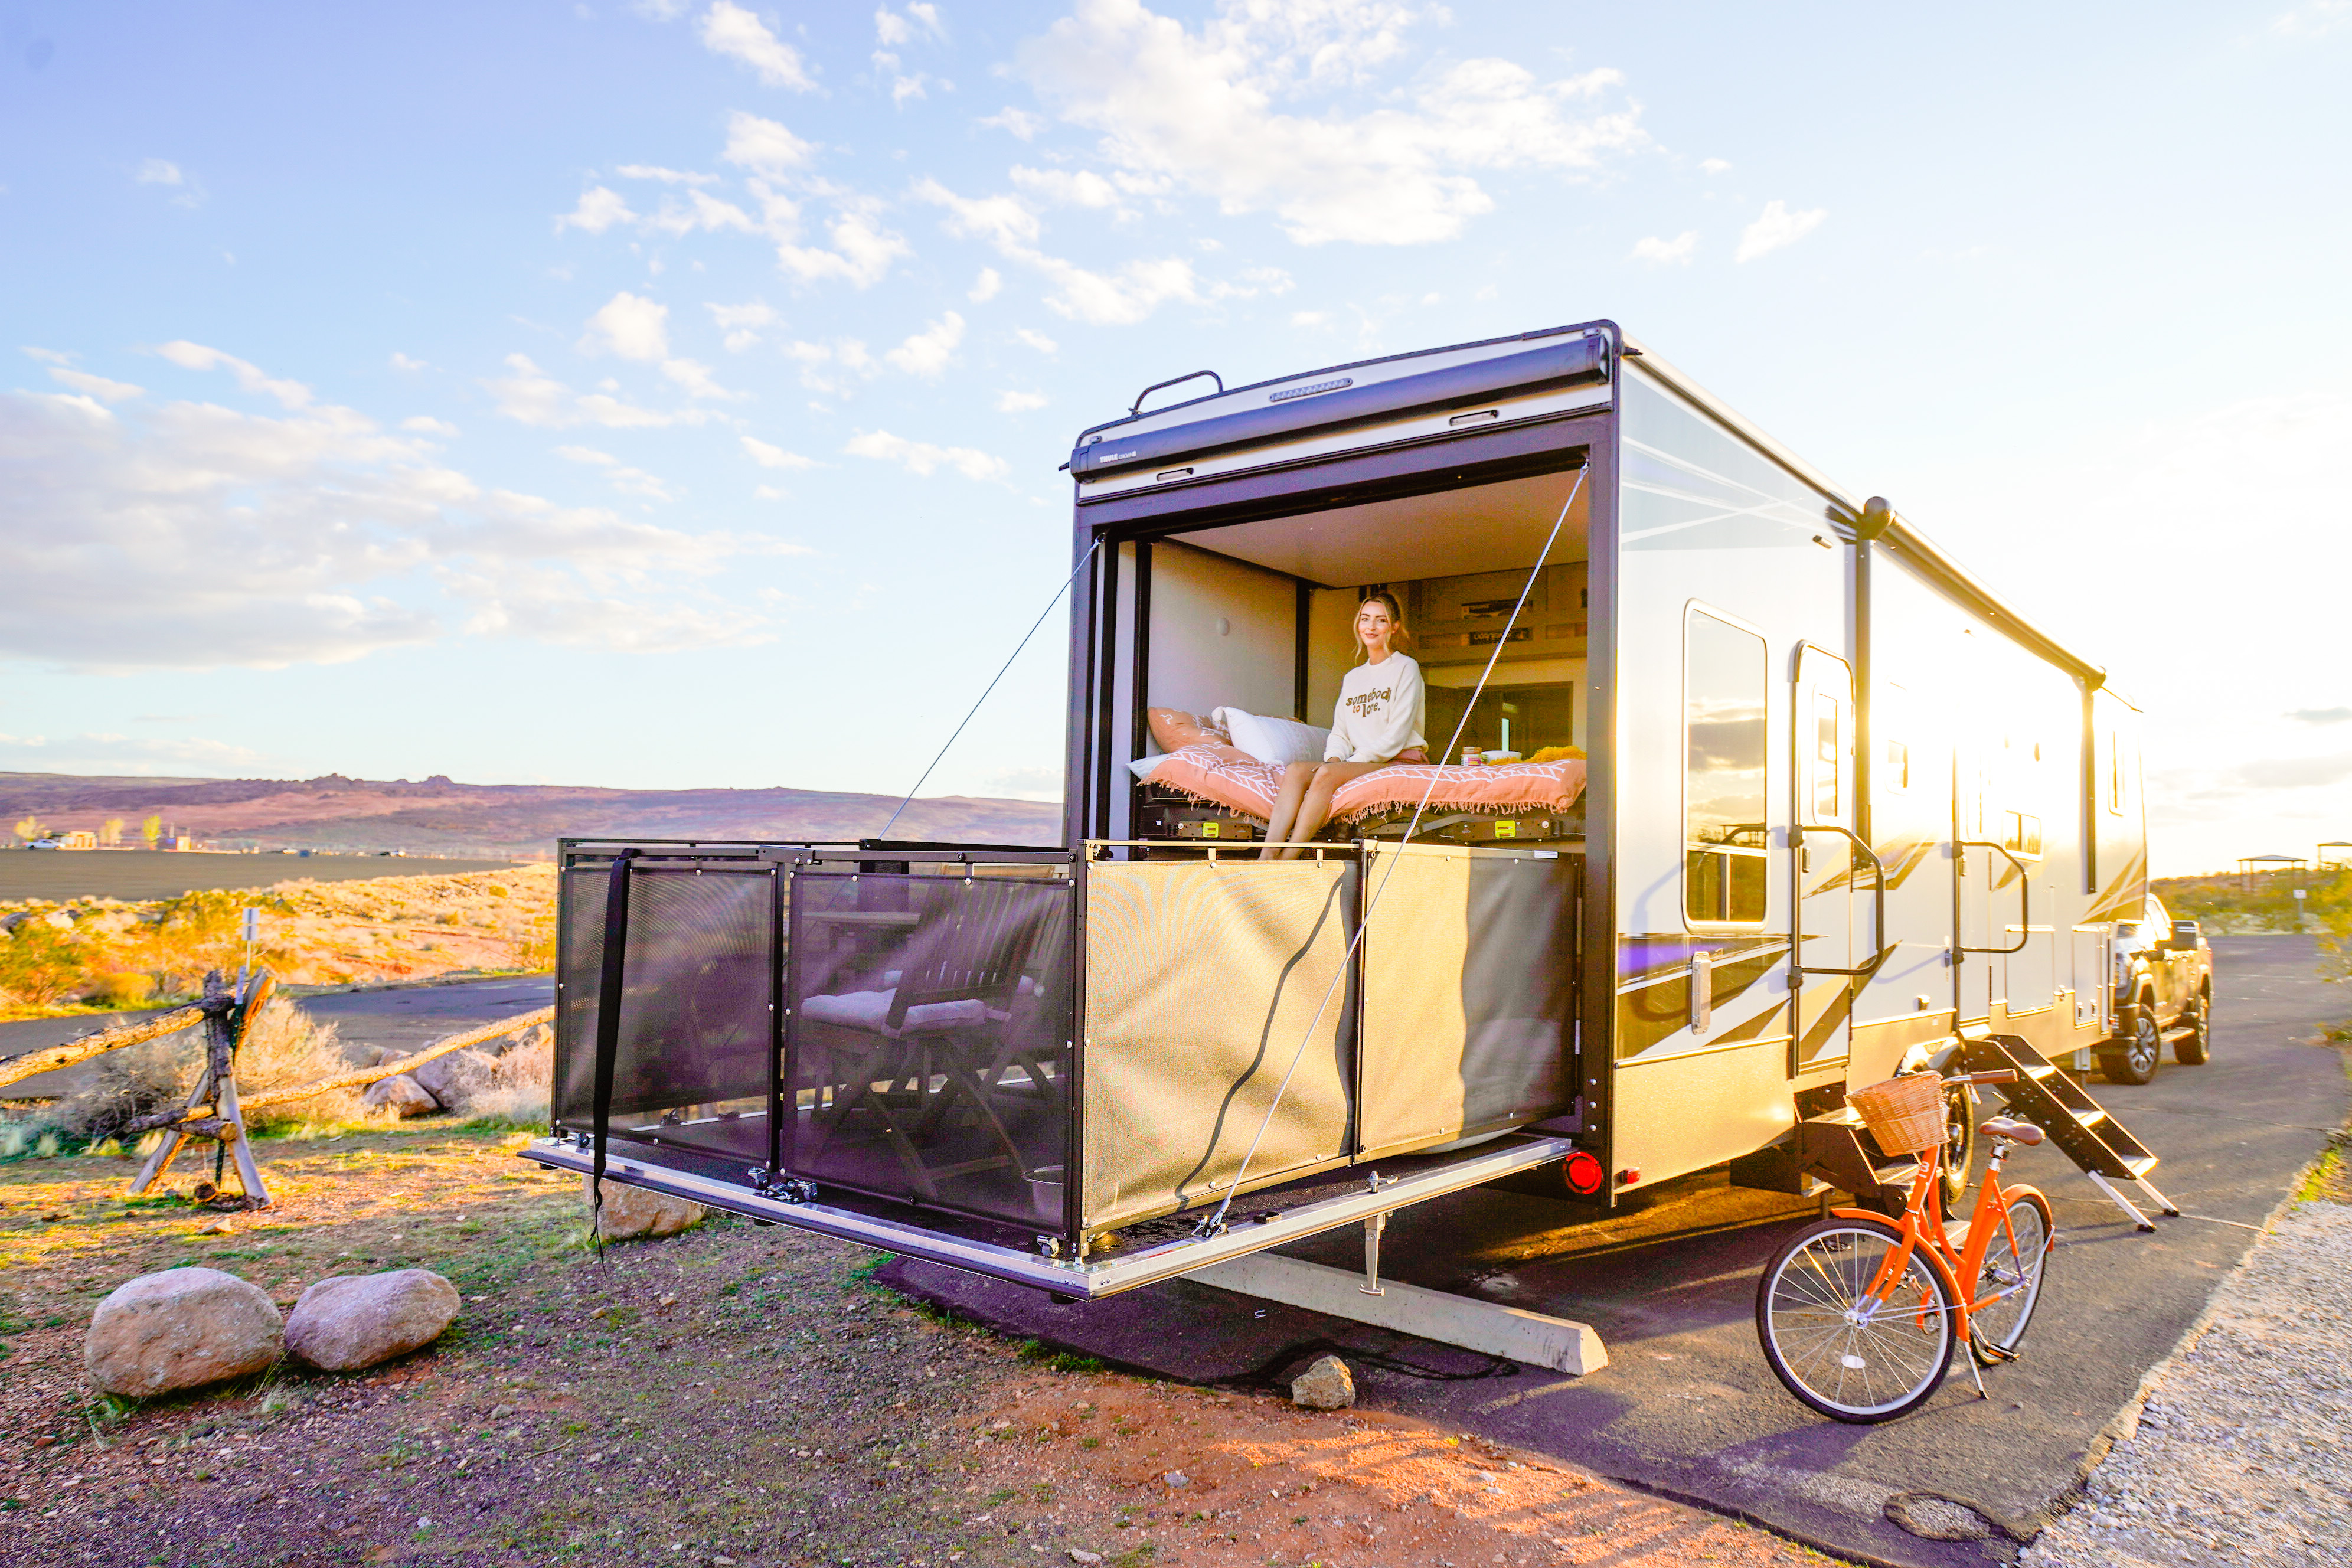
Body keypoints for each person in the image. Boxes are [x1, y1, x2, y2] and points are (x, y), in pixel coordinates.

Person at [1261, 591, 1427, 860]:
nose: (1371, 627)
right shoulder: (1353, 678)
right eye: (1365, 619)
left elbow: (1396, 738)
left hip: (1398, 759)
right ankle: (1266, 857)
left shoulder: (1406, 668)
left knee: (1326, 775)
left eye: (1381, 620)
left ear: (1394, 627)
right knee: (1295, 771)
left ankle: (1287, 859)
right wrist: (1335, 759)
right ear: (1358, 624)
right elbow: (1340, 732)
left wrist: (1340, 767)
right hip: (1361, 761)